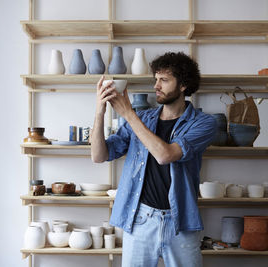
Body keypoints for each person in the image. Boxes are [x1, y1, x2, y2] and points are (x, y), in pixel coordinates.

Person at [91, 52, 216, 267]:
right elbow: (99, 156)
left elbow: (165, 155)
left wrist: (128, 113)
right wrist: (100, 111)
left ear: (183, 85)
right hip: (140, 219)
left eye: (164, 80)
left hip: (181, 222)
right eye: (156, 79)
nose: (156, 86)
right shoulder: (143, 119)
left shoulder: (204, 123)